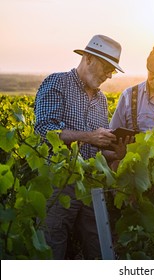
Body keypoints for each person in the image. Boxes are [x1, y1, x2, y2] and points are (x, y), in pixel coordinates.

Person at [34, 34, 130, 259]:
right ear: (88, 58)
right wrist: (88, 136)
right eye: (106, 67)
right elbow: (44, 130)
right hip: (59, 182)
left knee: (99, 248)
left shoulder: (102, 100)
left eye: (112, 71)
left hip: (91, 183)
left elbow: (98, 146)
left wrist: (115, 152)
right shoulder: (57, 83)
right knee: (51, 248)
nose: (108, 75)